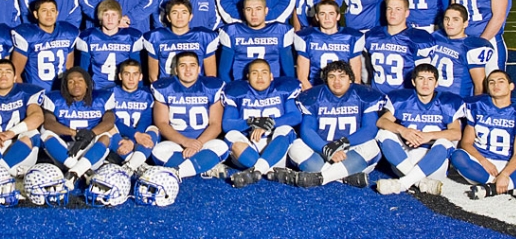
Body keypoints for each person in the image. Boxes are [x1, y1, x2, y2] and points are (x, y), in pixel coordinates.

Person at [279, 61, 383, 188]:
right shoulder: (314, 96)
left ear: (350, 79)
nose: (337, 81)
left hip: (351, 149)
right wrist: (326, 149)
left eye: (342, 76)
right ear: (325, 80)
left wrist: (342, 143)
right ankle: (344, 177)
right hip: (322, 149)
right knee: (296, 145)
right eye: (331, 77)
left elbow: (370, 129)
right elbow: (307, 130)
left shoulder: (363, 95)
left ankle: (320, 178)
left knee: (372, 146)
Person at [451, 70, 516, 199]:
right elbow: (466, 143)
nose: (495, 85)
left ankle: (490, 189)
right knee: (457, 156)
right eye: (491, 82)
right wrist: (484, 161)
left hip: (508, 163)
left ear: (511, 86)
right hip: (481, 164)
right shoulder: (476, 106)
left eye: (501, 81)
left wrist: (505, 174)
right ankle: (511, 186)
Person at [375, 64, 463, 195]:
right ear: (413, 81)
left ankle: (402, 184)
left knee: (444, 142)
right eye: (421, 78)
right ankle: (420, 182)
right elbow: (381, 121)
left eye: (430, 79)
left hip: (434, 161)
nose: (425, 83)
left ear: (436, 83)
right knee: (383, 134)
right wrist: (402, 130)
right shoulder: (403, 99)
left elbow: (456, 133)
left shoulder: (447, 103)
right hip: (404, 161)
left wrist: (429, 136)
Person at [221, 59, 302, 187]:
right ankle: (270, 170)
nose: (259, 77)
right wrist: (253, 122)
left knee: (286, 129)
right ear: (247, 77)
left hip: (275, 146)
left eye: (264, 72)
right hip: (249, 147)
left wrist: (269, 123)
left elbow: (295, 116)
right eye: (254, 73)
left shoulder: (282, 90)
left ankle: (256, 171)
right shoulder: (237, 92)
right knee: (230, 135)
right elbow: (227, 124)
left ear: (271, 76)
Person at [150, 51, 229, 179]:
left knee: (222, 146)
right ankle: (205, 166)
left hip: (204, 143)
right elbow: (161, 123)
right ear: (176, 69)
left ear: (199, 69)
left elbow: (216, 124)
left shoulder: (211, 87)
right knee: (157, 151)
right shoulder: (164, 87)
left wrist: (197, 144)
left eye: (192, 65)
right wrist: (185, 141)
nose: (188, 70)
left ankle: (177, 172)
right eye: (182, 65)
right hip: (176, 144)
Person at [41, 68, 116, 188]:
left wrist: (90, 134)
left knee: (106, 135)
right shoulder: (55, 99)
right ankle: (84, 171)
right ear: (65, 86)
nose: (76, 84)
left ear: (87, 83)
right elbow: (49, 123)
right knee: (45, 133)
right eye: (71, 82)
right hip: (65, 151)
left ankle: (73, 173)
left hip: (91, 150)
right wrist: (75, 133)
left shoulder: (101, 98)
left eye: (80, 80)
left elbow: (109, 121)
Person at [363, 0, 436, 95]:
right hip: (377, 96)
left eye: (398, 9)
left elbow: (423, 76)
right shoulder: (372, 36)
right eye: (389, 9)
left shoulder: (417, 39)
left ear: (406, 13)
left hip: (404, 99)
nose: (393, 13)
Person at [218, 0, 294, 83]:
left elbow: (289, 73)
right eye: (249, 9)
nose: (253, 14)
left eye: (258, 9)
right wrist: (232, 91)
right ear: (243, 11)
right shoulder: (232, 31)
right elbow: (223, 72)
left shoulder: (280, 31)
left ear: (266, 11)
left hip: (272, 88)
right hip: (241, 89)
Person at [144, 0, 218, 82]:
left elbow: (211, 76)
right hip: (167, 90)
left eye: (184, 12)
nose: (179, 17)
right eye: (175, 13)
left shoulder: (203, 37)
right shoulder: (156, 37)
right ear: (168, 17)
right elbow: (153, 77)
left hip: (196, 90)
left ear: (190, 16)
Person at [294, 0, 365, 90]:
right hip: (315, 88)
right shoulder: (306, 37)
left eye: (331, 13)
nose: (327, 18)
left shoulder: (351, 37)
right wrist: (315, 98)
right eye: (322, 14)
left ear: (338, 16)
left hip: (343, 90)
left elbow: (355, 79)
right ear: (317, 17)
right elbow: (302, 78)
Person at [11, 0, 79, 90]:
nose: (49, 14)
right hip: (36, 91)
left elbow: (69, 68)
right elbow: (15, 73)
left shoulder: (67, 33)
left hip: (61, 92)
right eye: (44, 10)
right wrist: (26, 95)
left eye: (52, 10)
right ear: (36, 14)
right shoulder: (28, 35)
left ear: (56, 13)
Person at [74, 0, 144, 90]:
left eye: (113, 15)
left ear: (119, 17)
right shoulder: (89, 37)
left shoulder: (130, 37)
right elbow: (83, 70)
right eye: (106, 14)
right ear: (100, 17)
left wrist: (138, 91)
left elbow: (137, 70)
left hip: (123, 90)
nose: (110, 19)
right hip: (96, 89)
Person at [106, 59, 159, 174]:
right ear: (120, 76)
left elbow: (146, 121)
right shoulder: (110, 93)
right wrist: (135, 135)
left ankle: (130, 165)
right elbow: (113, 121)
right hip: (119, 137)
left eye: (135, 74)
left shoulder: (147, 95)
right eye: (127, 74)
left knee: (154, 128)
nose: (131, 78)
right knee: (108, 127)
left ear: (140, 77)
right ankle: (139, 165)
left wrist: (133, 140)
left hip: (139, 136)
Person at [432, 3, 496, 96]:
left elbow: (480, 86)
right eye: (447, 19)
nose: (449, 23)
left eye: (455, 19)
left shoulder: (471, 47)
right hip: (433, 99)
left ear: (465, 23)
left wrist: (475, 107)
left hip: (457, 102)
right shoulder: (436, 37)